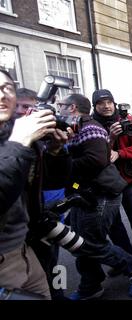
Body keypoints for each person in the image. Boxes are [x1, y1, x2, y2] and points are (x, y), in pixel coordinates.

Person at [57, 93, 132, 299]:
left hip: (103, 192)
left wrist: (62, 164)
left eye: (61, 106)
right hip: (86, 193)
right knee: (80, 242)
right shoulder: (78, 127)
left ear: (72, 108)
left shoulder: (91, 129)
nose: (58, 110)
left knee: (93, 241)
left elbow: (99, 159)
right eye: (101, 103)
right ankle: (90, 286)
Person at [0, 69, 69, 299]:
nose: (2, 95)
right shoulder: (19, 139)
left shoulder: (25, 139)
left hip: (27, 245)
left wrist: (56, 152)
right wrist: (19, 141)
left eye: (6, 88)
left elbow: (51, 181)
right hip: (4, 261)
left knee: (52, 285)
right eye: (22, 107)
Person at [91, 89, 132, 267]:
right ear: (94, 106)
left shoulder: (126, 119)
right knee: (114, 227)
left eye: (109, 102)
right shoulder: (90, 125)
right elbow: (92, 154)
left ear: (114, 103)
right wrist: (110, 138)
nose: (106, 106)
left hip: (128, 180)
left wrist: (121, 153)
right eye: (101, 103)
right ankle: (127, 260)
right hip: (104, 185)